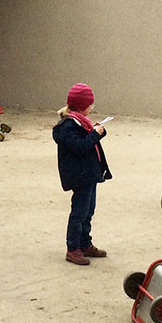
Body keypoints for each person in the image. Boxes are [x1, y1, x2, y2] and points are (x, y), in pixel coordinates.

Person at [53, 82, 111, 266]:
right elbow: (80, 147)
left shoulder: (80, 122)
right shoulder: (68, 126)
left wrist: (96, 131)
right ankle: (73, 248)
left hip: (89, 174)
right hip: (80, 175)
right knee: (79, 212)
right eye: (89, 105)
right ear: (81, 106)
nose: (92, 108)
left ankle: (85, 243)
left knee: (89, 210)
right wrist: (95, 134)